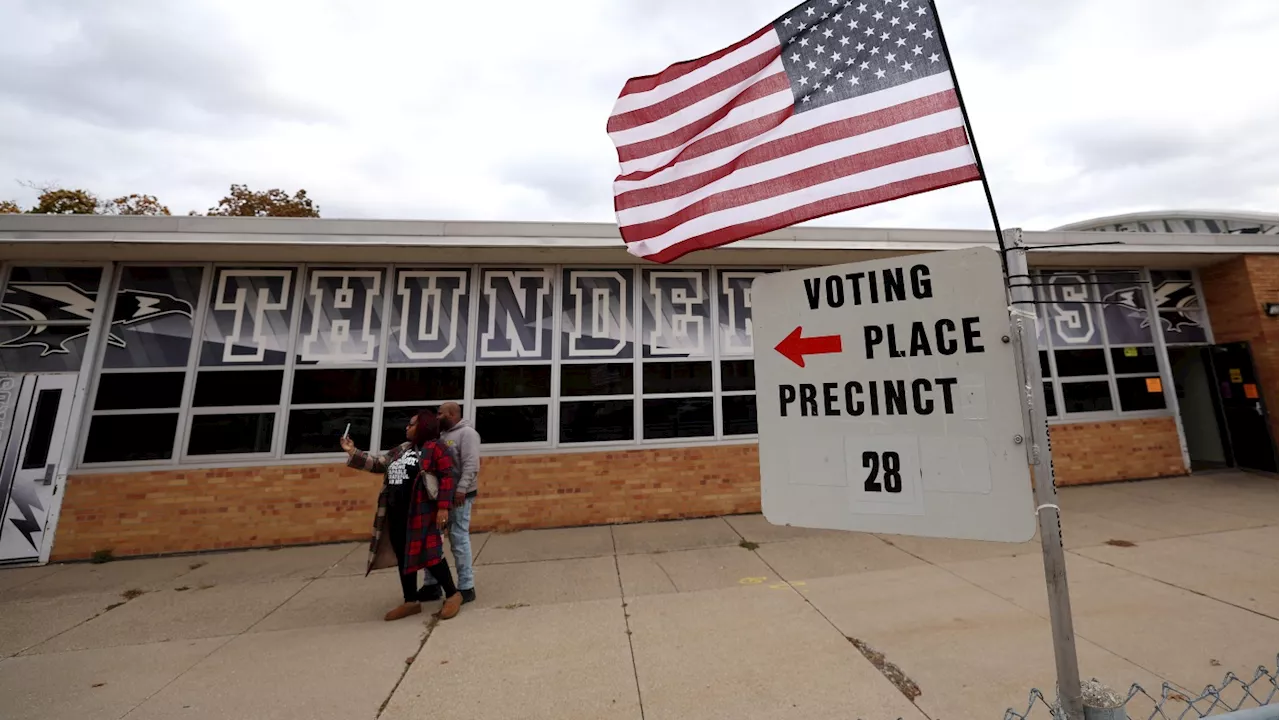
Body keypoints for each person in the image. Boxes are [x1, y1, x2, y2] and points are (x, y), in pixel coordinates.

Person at [341, 409, 464, 622]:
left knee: (431, 555)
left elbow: (447, 478)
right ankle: (410, 601)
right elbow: (380, 463)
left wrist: (443, 508)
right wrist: (353, 452)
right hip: (397, 512)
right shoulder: (402, 449)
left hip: (422, 511)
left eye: (412, 424)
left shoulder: (436, 448)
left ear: (423, 426)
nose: (407, 427)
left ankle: (453, 594)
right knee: (404, 555)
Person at [420, 402, 481, 603]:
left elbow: (471, 464)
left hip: (460, 496)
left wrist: (462, 488)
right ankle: (432, 584)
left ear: (452, 414)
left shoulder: (467, 434)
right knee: (432, 539)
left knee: (458, 538)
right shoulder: (441, 435)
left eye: (440, 414)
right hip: (440, 496)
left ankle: (466, 586)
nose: (437, 417)